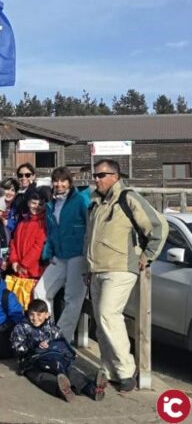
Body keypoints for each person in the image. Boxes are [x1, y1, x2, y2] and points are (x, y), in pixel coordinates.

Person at [85, 159, 166, 392]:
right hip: (96, 268)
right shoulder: (95, 204)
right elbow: (88, 240)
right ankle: (109, 369)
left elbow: (158, 227)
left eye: (101, 175)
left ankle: (126, 371)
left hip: (120, 267)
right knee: (101, 323)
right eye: (95, 175)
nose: (97, 179)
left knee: (109, 315)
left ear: (115, 176)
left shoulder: (127, 198)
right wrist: (86, 268)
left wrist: (147, 256)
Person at [33, 167, 90, 342]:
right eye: (56, 181)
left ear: (70, 182)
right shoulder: (51, 204)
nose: (59, 184)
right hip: (59, 255)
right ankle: (47, 332)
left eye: (63, 180)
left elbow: (90, 225)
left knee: (72, 298)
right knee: (40, 292)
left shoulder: (80, 200)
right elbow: (51, 232)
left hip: (77, 254)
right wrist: (48, 253)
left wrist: (88, 251)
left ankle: (61, 338)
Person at [11, 299, 107, 402]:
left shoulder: (51, 326)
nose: (35, 318)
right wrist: (35, 346)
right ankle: (62, 390)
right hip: (32, 362)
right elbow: (17, 347)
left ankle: (92, 389)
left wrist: (70, 353)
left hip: (53, 357)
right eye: (32, 314)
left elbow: (61, 340)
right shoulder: (21, 328)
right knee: (43, 377)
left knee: (69, 370)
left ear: (46, 315)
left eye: (39, 315)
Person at [7, 190, 48, 308]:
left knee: (32, 303)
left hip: (33, 271)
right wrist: (14, 260)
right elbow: (14, 242)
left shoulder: (43, 223)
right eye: (34, 203)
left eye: (40, 204)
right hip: (19, 269)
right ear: (28, 203)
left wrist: (24, 265)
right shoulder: (22, 222)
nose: (37, 207)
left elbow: (38, 246)